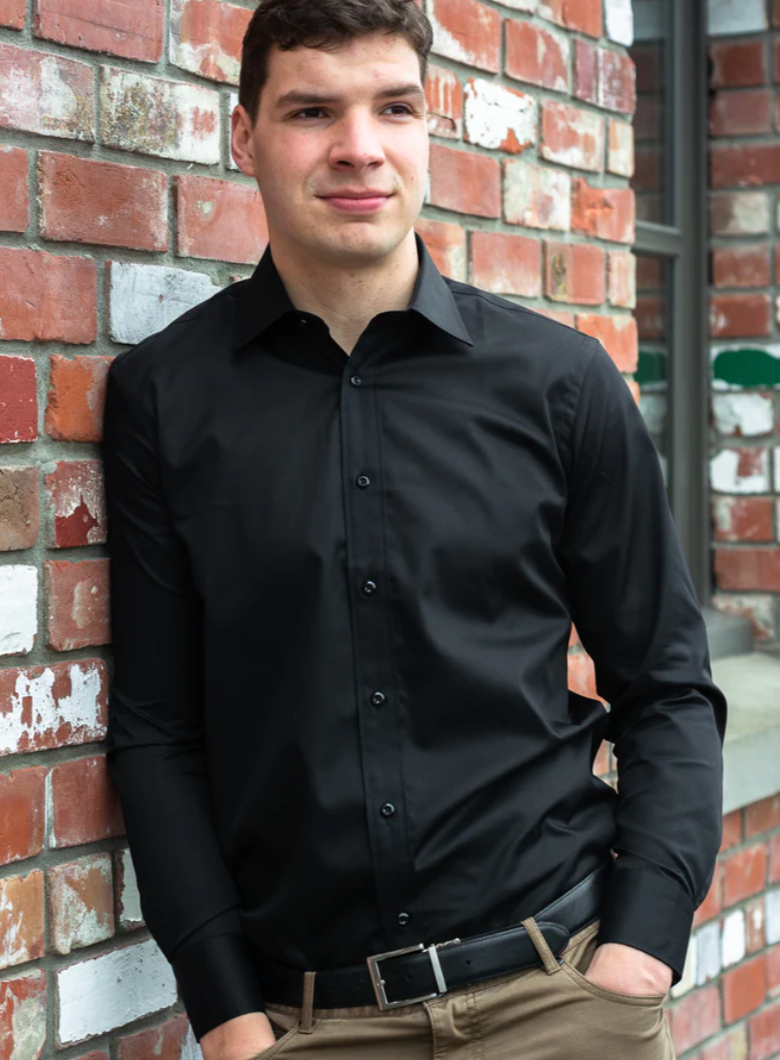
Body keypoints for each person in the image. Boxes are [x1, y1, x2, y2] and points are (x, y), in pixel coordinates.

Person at [101, 1, 727, 1058]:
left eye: (395, 107)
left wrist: (638, 957)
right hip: (310, 1026)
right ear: (244, 134)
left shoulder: (560, 385)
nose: (360, 148)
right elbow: (159, 733)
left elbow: (667, 687)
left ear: (428, 125)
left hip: (561, 998)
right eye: (312, 111)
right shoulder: (167, 398)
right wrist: (230, 1021)